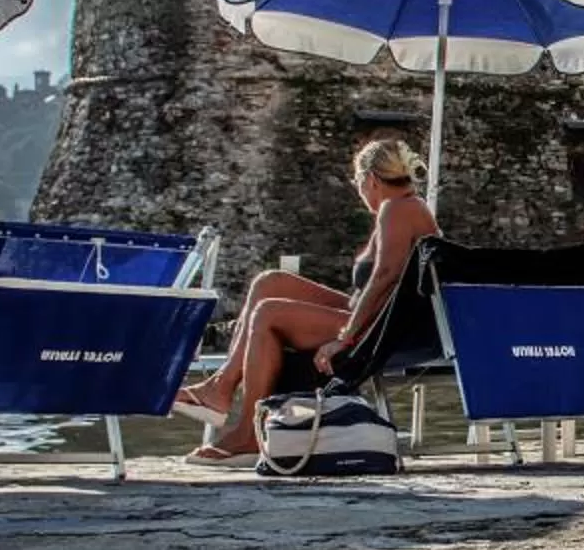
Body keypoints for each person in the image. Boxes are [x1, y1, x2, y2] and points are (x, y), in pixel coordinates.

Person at [176, 136, 437, 463]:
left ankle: (247, 434)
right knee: (270, 283)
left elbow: (386, 276)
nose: (358, 190)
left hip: (386, 330)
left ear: (371, 179)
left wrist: (345, 337)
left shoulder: (397, 210)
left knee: (268, 313)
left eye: (357, 182)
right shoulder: (407, 207)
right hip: (380, 317)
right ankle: (220, 388)